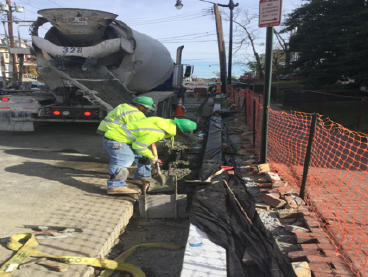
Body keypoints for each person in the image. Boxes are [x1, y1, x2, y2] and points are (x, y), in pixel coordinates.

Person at [103, 116, 197, 194]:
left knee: (144, 156)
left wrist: (150, 155)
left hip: (127, 138)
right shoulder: (157, 132)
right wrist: (152, 157)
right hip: (116, 139)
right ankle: (115, 186)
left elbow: (145, 131)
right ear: (179, 130)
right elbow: (139, 147)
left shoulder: (161, 121)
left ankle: (142, 176)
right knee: (124, 160)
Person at [97, 96, 158, 189]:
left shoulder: (123, 106)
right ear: (138, 105)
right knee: (124, 159)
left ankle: (143, 175)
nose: (146, 109)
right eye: (145, 107)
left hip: (110, 132)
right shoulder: (135, 114)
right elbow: (141, 129)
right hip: (116, 136)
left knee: (141, 153)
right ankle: (117, 185)